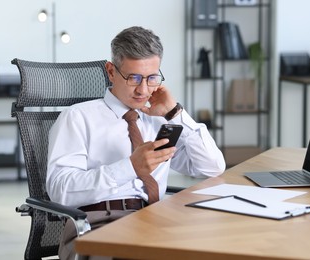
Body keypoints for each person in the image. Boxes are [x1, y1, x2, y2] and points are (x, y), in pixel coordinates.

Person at [46, 26, 226, 259]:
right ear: (111, 72)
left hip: (157, 222)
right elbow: (61, 191)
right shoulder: (77, 117)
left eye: (152, 78)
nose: (143, 90)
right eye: (134, 78)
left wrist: (175, 112)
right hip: (98, 226)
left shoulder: (158, 120)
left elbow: (212, 167)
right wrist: (130, 168)